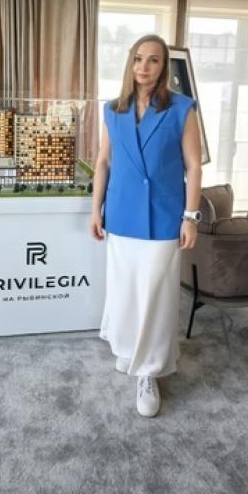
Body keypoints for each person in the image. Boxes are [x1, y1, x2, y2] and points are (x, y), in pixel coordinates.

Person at [90, 34, 202, 418]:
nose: (144, 67)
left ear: (163, 66)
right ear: (130, 62)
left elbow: (194, 166)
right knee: (125, 291)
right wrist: (95, 210)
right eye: (138, 58)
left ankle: (150, 371)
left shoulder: (182, 108)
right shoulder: (112, 110)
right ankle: (129, 349)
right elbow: (103, 162)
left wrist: (190, 216)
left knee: (156, 294)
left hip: (164, 214)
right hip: (121, 214)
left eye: (153, 60)